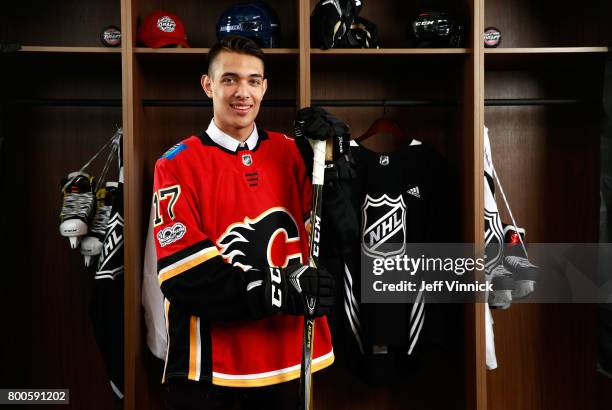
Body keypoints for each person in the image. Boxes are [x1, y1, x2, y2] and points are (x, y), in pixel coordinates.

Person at [153, 35, 346, 410]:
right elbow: (184, 278)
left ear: (265, 86)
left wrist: (337, 167)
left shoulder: (292, 152)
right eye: (229, 79)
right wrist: (279, 289)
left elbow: (335, 240)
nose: (243, 92)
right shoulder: (176, 163)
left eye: (253, 80)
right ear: (208, 84)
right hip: (210, 370)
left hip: (292, 359)